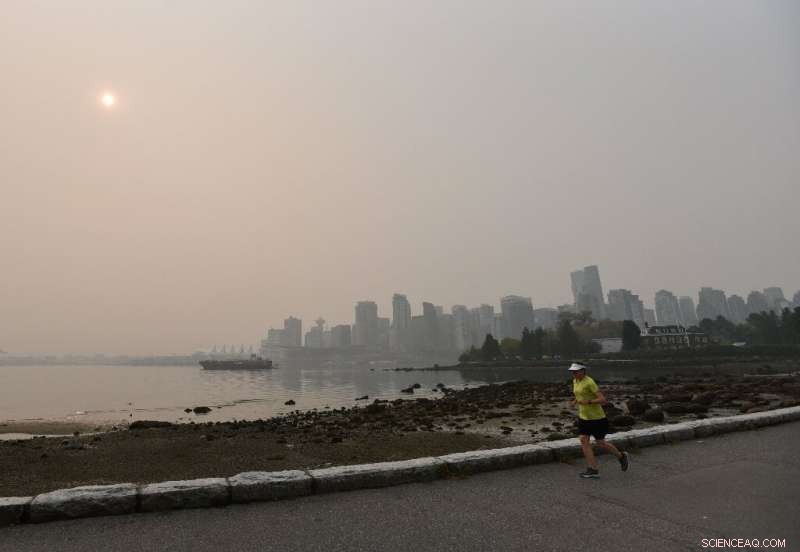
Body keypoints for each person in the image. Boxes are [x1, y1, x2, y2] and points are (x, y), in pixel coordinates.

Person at [569, 362, 629, 479]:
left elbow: (602, 399)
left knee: (601, 443)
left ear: (583, 371)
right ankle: (593, 469)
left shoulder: (589, 382)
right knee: (583, 440)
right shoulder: (575, 381)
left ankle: (621, 456)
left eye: (575, 371)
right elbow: (579, 394)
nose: (573, 373)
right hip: (584, 417)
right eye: (572, 372)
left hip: (597, 418)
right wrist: (575, 401)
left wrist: (589, 402)